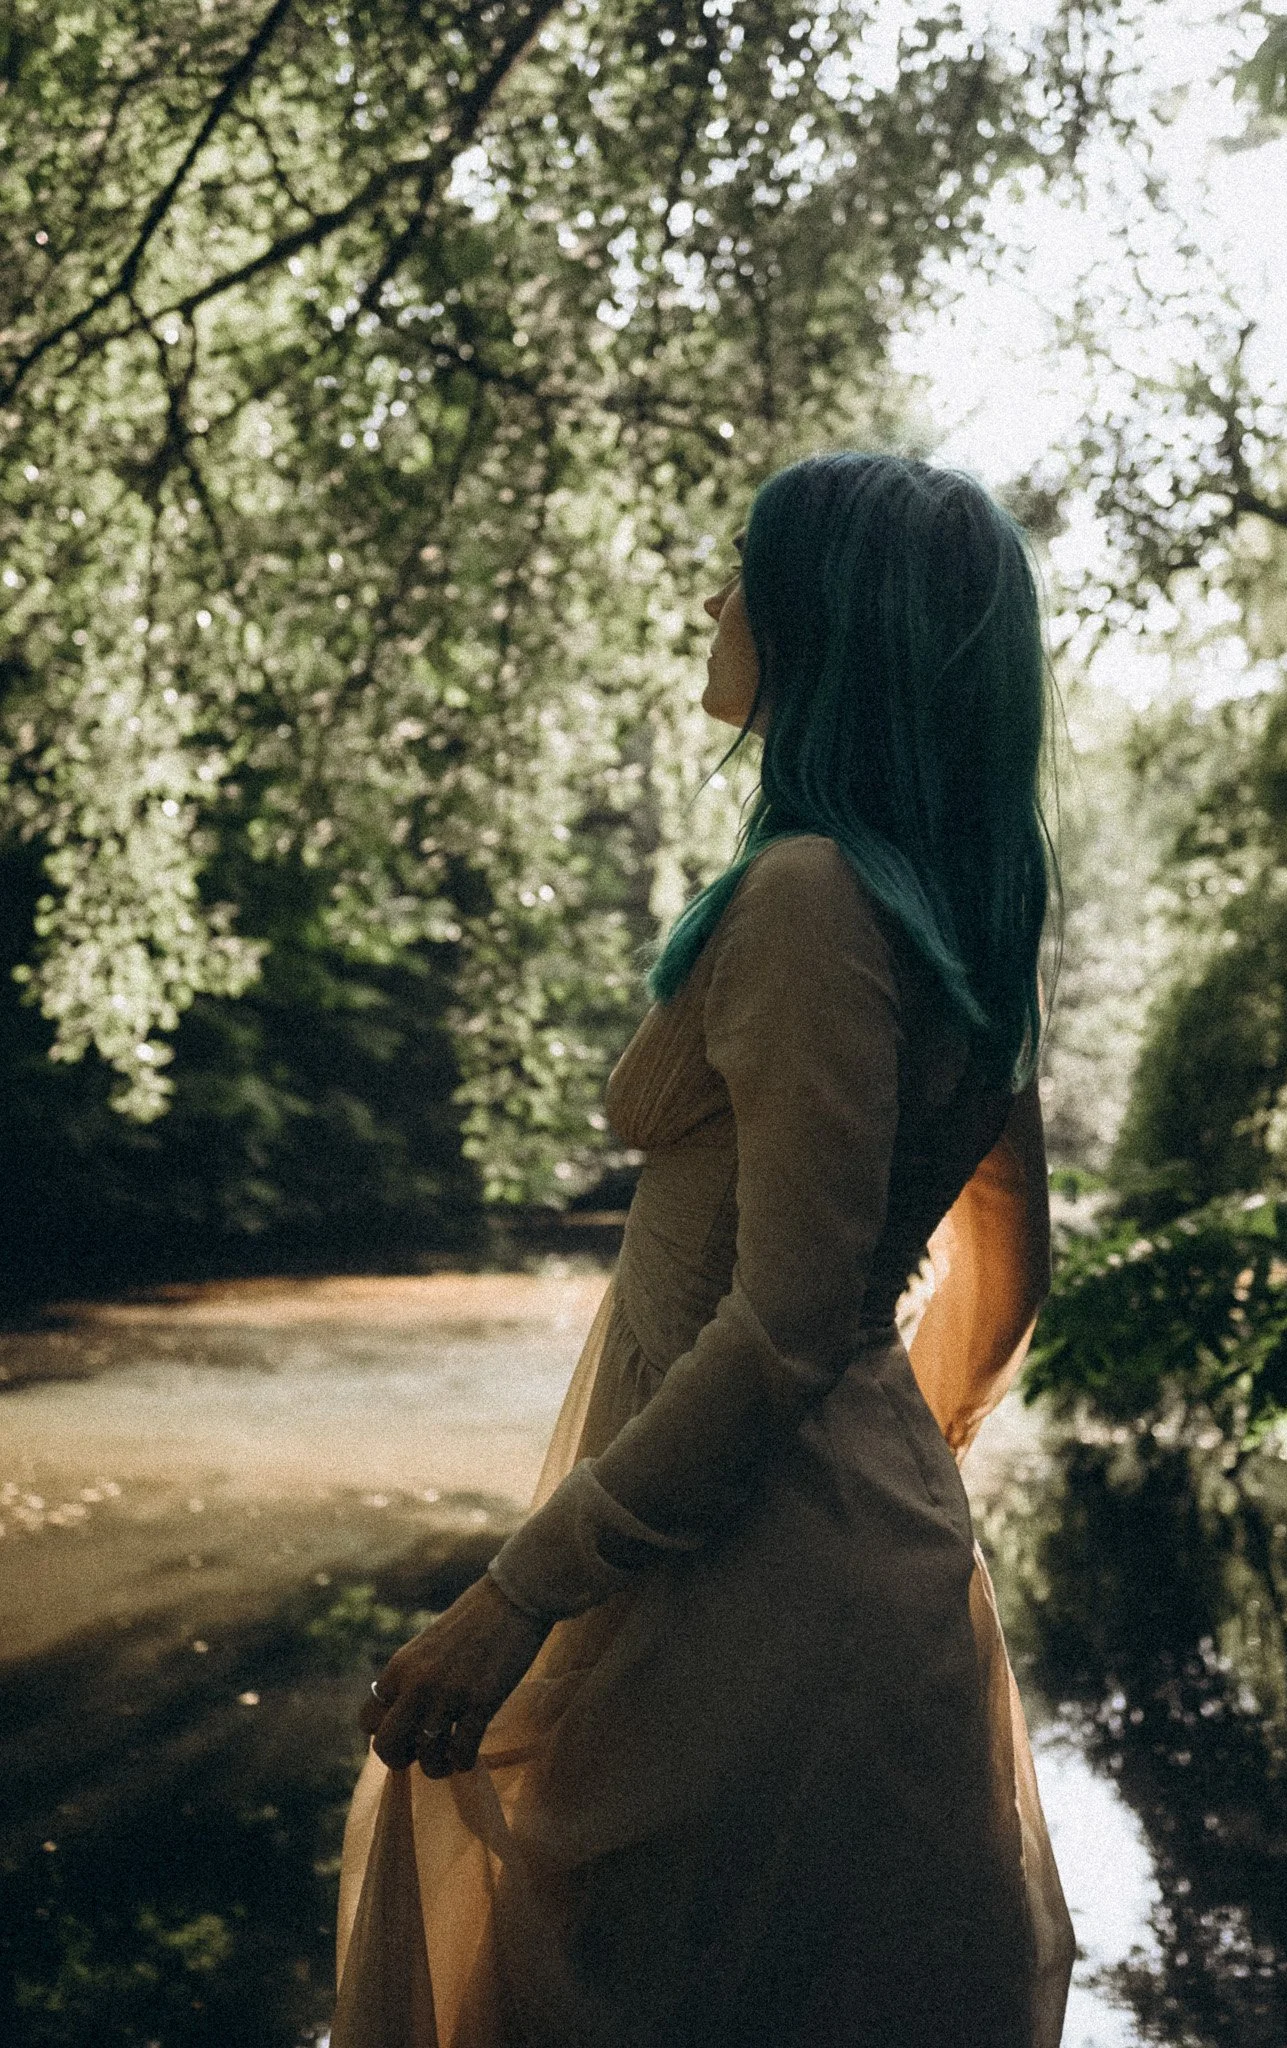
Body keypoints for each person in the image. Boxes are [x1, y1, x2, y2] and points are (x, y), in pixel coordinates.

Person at [332, 451, 1077, 2048]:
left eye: (742, 568)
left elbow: (785, 1326)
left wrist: (511, 1596)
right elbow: (1009, 1273)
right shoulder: (955, 910)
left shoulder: (810, 898)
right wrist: (891, 1448)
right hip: (840, 1545)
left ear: (828, 623)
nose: (713, 596)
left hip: (738, 1586)